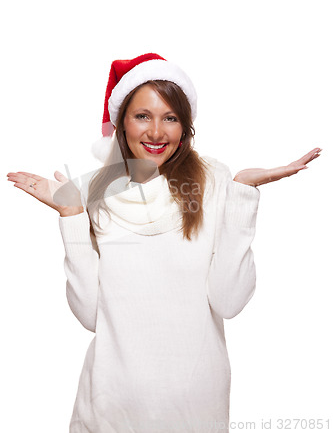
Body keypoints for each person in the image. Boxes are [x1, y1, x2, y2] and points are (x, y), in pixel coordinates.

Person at [7, 53, 322, 433]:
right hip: (107, 412)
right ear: (121, 123)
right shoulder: (93, 190)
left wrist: (242, 194)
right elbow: (91, 316)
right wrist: (72, 215)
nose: (156, 132)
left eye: (170, 117)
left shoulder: (214, 181)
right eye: (143, 116)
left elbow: (229, 300)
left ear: (185, 127)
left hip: (193, 414)